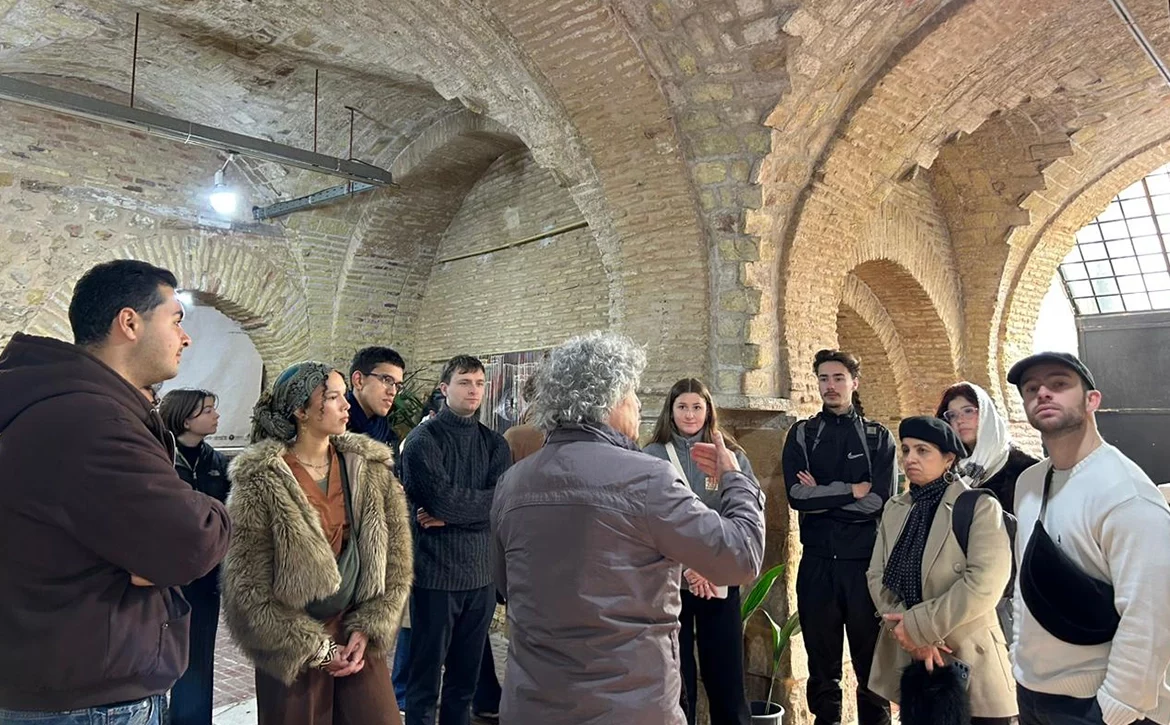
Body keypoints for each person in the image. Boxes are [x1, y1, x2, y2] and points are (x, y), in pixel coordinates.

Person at [491, 331, 766, 724]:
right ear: (607, 400)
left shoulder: (513, 482)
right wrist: (735, 479)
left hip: (535, 703)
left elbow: (505, 586)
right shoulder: (648, 477)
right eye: (631, 392)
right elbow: (741, 556)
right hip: (629, 704)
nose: (638, 404)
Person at [0, 259, 231, 725]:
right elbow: (189, 543)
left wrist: (149, 554)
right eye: (176, 320)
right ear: (129, 323)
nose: (185, 338)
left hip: (56, 678)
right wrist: (215, 513)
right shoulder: (91, 419)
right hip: (87, 700)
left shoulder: (57, 402)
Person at [221, 361, 413, 725]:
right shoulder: (261, 480)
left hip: (356, 632)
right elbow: (247, 588)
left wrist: (369, 626)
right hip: (293, 642)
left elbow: (396, 560)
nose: (346, 405)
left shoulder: (368, 468)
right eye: (334, 397)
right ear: (301, 410)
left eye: (344, 396)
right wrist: (317, 649)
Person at [1007, 352, 1170, 725]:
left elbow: (1150, 613)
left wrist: (1116, 707)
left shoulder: (1126, 493)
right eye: (1031, 388)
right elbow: (1024, 582)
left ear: (1092, 400)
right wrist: (1019, 657)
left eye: (1058, 384)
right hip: (1031, 692)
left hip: (1093, 704)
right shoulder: (1029, 482)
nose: (1042, 393)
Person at [867, 416, 1017, 725]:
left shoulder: (977, 506)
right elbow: (877, 576)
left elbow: (984, 583)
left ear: (949, 459)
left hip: (968, 653)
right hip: (913, 656)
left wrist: (919, 628)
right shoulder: (896, 508)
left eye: (922, 451)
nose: (910, 458)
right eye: (906, 450)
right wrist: (907, 632)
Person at [780, 349, 895, 725]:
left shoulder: (878, 437)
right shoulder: (803, 434)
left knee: (871, 667)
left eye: (838, 378)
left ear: (854, 383)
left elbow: (879, 502)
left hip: (863, 567)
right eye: (824, 378)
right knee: (822, 669)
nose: (830, 385)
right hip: (816, 566)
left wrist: (823, 496)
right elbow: (797, 497)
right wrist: (852, 491)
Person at [401, 355, 511, 725]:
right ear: (445, 388)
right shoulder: (422, 441)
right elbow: (439, 500)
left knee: (464, 683)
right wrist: (473, 510)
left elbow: (502, 502)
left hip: (481, 578)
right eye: (465, 382)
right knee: (424, 682)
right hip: (436, 577)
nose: (474, 390)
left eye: (479, 383)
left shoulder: (495, 444)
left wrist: (450, 517)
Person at [644, 377, 755, 725]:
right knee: (676, 680)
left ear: (708, 411)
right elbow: (649, 523)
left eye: (696, 407)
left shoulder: (731, 456)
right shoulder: (651, 457)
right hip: (670, 583)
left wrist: (709, 567)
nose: (689, 414)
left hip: (718, 581)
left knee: (727, 678)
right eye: (682, 407)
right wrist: (687, 568)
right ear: (670, 411)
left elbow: (744, 513)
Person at [160, 388, 232, 725]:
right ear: (186, 418)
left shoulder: (218, 463)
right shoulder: (159, 459)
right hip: (164, 579)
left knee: (198, 659)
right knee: (159, 660)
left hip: (205, 578)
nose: (216, 415)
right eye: (207, 410)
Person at [345, 345, 411, 711]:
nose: (392, 391)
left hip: (376, 556)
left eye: (398, 384)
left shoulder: (382, 429)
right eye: (386, 380)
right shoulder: (339, 426)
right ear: (358, 379)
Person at [936, 381, 1039, 515]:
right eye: (952, 415)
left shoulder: (1025, 467)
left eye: (968, 411)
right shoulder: (949, 470)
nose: (960, 420)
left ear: (986, 413)